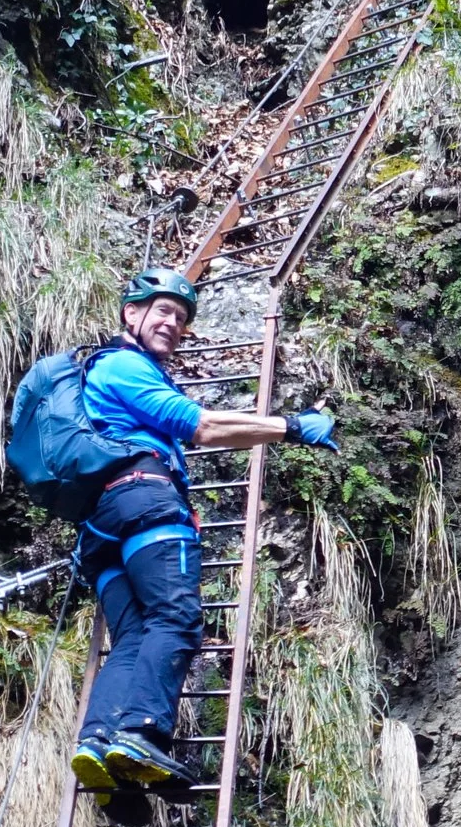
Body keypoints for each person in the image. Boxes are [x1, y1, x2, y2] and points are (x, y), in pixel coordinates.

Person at [72, 267, 336, 794]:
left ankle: (98, 745)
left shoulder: (98, 380)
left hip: (99, 529)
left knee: (133, 637)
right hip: (145, 503)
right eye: (163, 311)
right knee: (175, 618)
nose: (173, 323)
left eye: (181, 317)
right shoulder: (125, 366)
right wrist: (291, 427)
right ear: (131, 313)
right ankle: (141, 733)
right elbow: (204, 426)